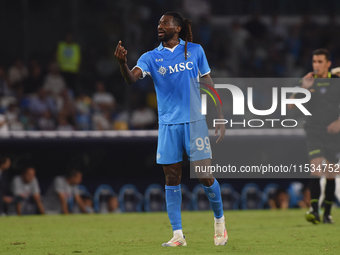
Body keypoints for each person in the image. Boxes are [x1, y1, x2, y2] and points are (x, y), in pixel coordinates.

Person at [115, 12, 227, 246]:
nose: (160, 26)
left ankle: (219, 222)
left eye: (165, 23)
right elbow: (131, 79)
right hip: (168, 125)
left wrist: (220, 116)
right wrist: (123, 64)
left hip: (194, 122)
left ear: (177, 28)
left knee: (204, 176)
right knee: (172, 178)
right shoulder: (150, 57)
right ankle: (178, 234)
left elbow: (208, 84)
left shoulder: (195, 50)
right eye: (158, 23)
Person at [288, 49, 340, 224]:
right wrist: (304, 88)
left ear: (328, 63)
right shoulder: (308, 80)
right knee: (316, 169)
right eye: (314, 61)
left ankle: (327, 212)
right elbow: (289, 105)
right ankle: (314, 210)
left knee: (331, 173)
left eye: (320, 61)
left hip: (333, 133)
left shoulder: (336, 81)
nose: (316, 65)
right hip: (313, 131)